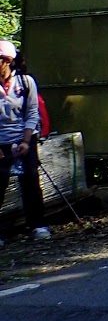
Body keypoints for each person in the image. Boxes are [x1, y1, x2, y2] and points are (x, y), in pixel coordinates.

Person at [0, 41, 50, 241]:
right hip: (1, 142)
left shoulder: (26, 82)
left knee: (30, 181)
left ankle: (38, 225)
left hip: (24, 138)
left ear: (7, 61)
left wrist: (26, 142)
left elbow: (32, 113)